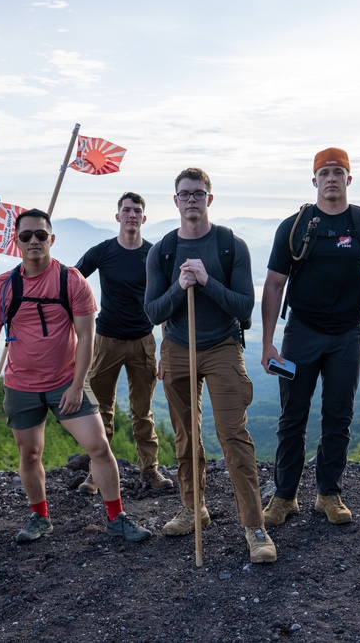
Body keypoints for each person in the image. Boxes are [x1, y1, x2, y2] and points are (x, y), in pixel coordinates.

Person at [0, 208, 151, 545]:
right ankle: (39, 517)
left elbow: (86, 337)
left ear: (52, 239)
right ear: (16, 242)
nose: (34, 241)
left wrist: (76, 385)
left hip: (66, 380)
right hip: (20, 384)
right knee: (30, 454)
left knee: (98, 446)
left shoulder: (71, 280)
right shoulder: (1, 286)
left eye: (41, 235)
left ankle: (117, 517)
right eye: (26, 236)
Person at [260, 148, 360, 527]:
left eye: (339, 172)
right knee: (292, 418)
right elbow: (274, 285)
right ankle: (284, 496)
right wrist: (267, 342)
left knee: (338, 416)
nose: (332, 178)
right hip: (300, 333)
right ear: (315, 180)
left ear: (350, 179)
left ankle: (329, 494)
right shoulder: (295, 226)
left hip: (347, 334)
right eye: (325, 173)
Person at [145, 167, 276, 564]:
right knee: (186, 436)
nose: (191, 200)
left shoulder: (229, 245)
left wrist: (205, 281)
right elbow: (153, 311)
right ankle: (192, 507)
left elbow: (244, 307)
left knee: (233, 437)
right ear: (175, 200)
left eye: (198, 193)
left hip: (221, 346)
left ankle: (255, 526)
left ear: (209, 199)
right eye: (184, 194)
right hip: (177, 349)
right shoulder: (162, 250)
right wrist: (178, 287)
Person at [74, 192, 173, 494]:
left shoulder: (154, 254)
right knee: (100, 411)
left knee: (143, 411)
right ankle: (95, 474)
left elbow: (168, 302)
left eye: (137, 211)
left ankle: (150, 472)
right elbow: (73, 282)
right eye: (127, 210)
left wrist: (167, 347)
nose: (132, 215)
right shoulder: (103, 251)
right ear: (117, 216)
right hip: (106, 341)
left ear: (144, 218)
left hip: (143, 341)